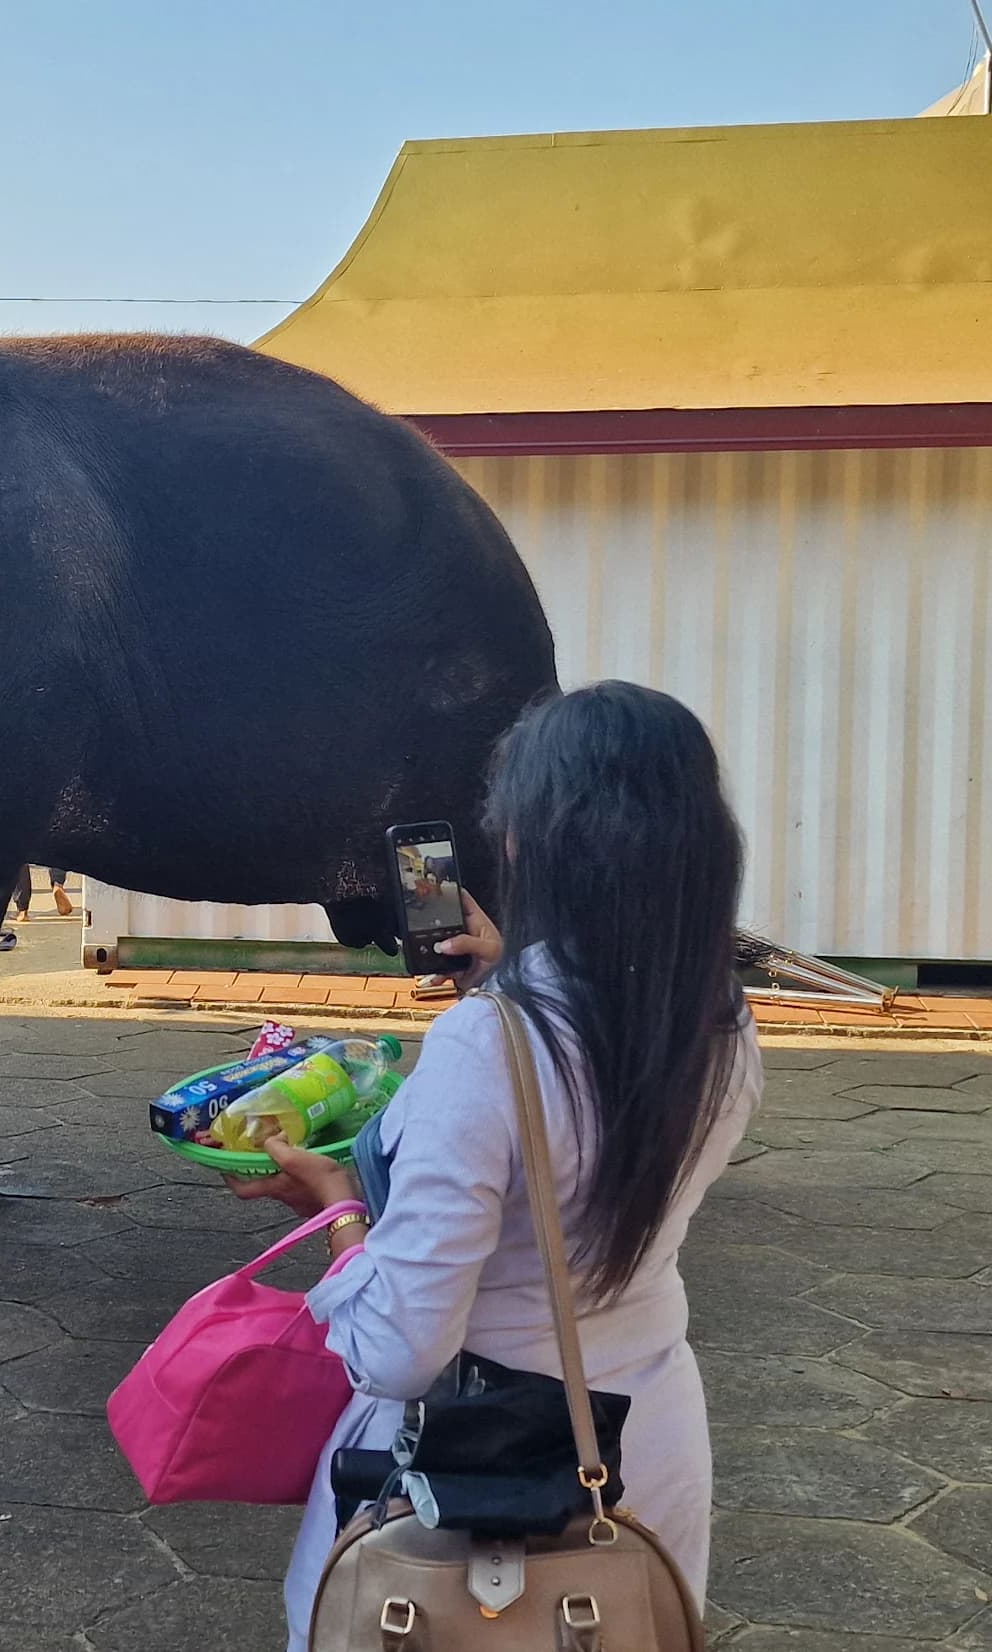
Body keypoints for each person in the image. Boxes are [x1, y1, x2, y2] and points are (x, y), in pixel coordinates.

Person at [224, 682, 759, 1648]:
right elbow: (597, 1082)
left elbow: (399, 1348)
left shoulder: (486, 1046)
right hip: (645, 1445)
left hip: (471, 1465)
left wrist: (340, 1203)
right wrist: (513, 977)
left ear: (531, 843)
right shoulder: (720, 1023)